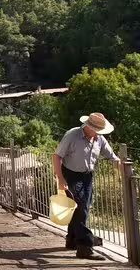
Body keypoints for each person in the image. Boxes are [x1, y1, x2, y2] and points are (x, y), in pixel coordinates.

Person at [53, 112, 121, 261]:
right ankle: (85, 246)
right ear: (88, 127)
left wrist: (122, 167)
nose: (98, 134)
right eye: (97, 131)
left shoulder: (99, 139)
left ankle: (71, 240)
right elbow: (57, 156)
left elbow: (111, 156)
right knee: (81, 206)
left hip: (87, 176)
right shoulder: (72, 135)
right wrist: (60, 178)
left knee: (84, 207)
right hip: (71, 174)